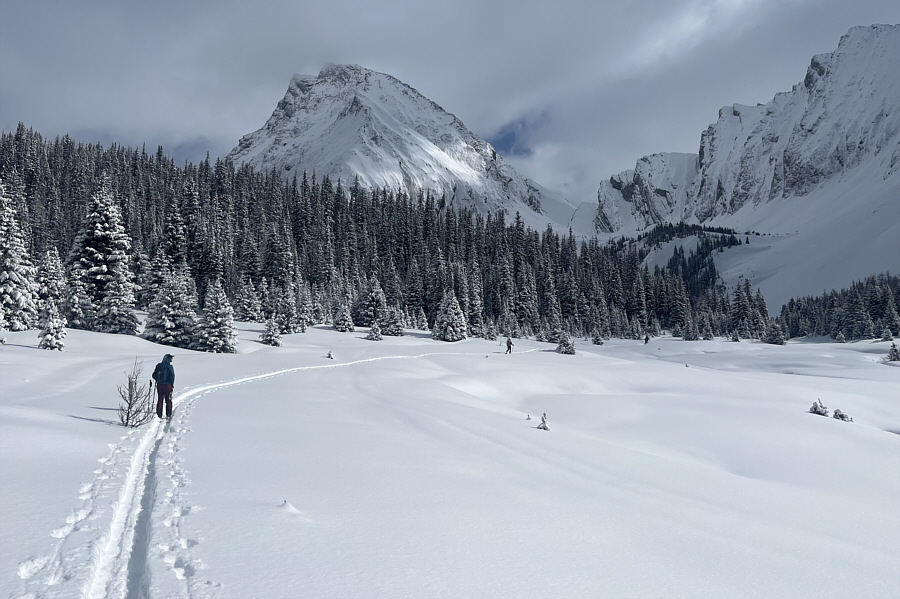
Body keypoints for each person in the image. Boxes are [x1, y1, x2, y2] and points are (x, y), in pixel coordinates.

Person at [152, 354, 175, 419]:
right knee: (168, 400)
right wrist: (172, 385)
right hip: (168, 386)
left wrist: (157, 379)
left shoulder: (159, 365)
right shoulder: (169, 366)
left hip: (159, 385)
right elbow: (172, 376)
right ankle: (168, 414)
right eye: (171, 358)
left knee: (160, 399)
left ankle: (159, 414)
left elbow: (154, 375)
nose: (171, 359)